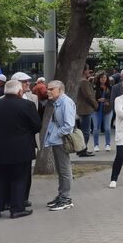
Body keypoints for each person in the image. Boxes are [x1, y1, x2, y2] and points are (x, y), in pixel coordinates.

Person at [0, 80, 41, 219]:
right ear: (19, 91)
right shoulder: (27, 105)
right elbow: (37, 126)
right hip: (20, 149)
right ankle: (17, 208)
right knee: (19, 178)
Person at [44, 80, 75, 211]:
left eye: (51, 89)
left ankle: (66, 198)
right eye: (48, 89)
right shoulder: (58, 102)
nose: (48, 91)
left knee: (64, 170)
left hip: (61, 141)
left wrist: (57, 135)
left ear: (60, 90)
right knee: (61, 170)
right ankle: (62, 195)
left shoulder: (65, 102)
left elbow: (68, 125)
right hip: (57, 141)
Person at [76, 64, 98, 157]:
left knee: (83, 130)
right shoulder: (84, 82)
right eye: (88, 69)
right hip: (85, 109)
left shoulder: (81, 81)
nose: (89, 71)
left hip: (83, 108)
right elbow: (88, 96)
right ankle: (82, 150)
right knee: (86, 131)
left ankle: (82, 149)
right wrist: (95, 105)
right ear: (84, 71)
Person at [91, 72, 112, 152]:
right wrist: (97, 100)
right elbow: (91, 98)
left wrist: (106, 101)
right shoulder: (94, 87)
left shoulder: (110, 87)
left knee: (107, 128)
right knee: (96, 128)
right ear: (98, 79)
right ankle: (96, 145)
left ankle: (108, 144)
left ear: (107, 79)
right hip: (96, 109)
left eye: (104, 77)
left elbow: (113, 98)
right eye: (101, 77)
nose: (103, 79)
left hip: (107, 109)